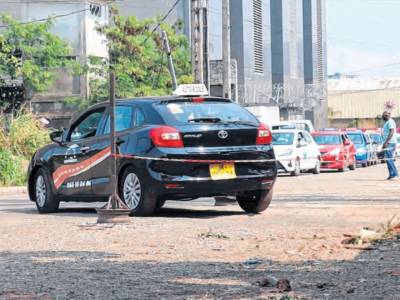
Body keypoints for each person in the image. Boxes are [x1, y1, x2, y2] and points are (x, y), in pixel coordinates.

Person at [382, 111, 398, 180]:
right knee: (388, 159)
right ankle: (391, 174)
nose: (384, 116)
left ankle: (395, 174)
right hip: (388, 142)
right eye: (383, 115)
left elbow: (392, 131)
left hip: (390, 142)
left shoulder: (390, 121)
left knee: (389, 159)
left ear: (389, 115)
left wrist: (386, 142)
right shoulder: (387, 122)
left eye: (385, 115)